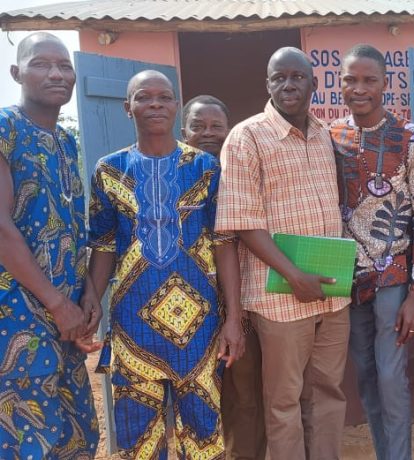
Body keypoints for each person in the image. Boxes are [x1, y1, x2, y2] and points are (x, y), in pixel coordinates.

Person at [86, 70, 244, 458]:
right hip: (132, 323)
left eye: (163, 97)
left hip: (200, 327)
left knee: (203, 433)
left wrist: (234, 318)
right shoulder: (109, 170)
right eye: (143, 97)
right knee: (138, 437)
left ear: (175, 106)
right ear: (128, 108)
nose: (154, 104)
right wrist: (90, 299)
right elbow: (104, 245)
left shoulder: (205, 168)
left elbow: (223, 244)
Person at [215, 47, 349, 460]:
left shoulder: (324, 134)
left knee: (328, 394)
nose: (288, 85)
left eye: (297, 77)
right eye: (279, 78)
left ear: (313, 84)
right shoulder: (247, 136)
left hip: (332, 294)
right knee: (284, 402)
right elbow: (243, 223)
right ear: (268, 84)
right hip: (279, 298)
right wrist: (294, 276)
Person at [331, 44, 414, 460]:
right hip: (346, 277)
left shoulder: (410, 138)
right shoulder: (331, 136)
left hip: (393, 276)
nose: (360, 89)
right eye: (351, 80)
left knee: (392, 378)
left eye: (369, 80)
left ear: (385, 84)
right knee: (367, 378)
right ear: (339, 85)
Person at [0, 31, 100, 460]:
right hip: (18, 312)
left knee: (73, 431)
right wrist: (57, 304)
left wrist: (87, 294)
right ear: (16, 72)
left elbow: (70, 229)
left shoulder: (65, 141)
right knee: (27, 435)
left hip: (65, 316)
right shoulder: (5, 127)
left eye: (64, 66)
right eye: (42, 64)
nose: (57, 73)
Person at [179, 94, 265, 459]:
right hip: (183, 309)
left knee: (244, 393)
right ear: (184, 131)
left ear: (229, 131)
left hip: (242, 304)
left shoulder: (243, 174)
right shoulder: (171, 177)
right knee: (193, 398)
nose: (208, 133)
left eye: (217, 126)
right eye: (198, 126)